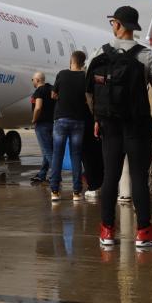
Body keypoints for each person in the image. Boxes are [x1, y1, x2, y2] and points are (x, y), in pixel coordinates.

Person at [87, 6, 152, 247]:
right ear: (133, 28)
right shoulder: (148, 57)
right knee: (138, 176)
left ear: (116, 24)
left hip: (109, 125)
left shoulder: (97, 55)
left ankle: (106, 231)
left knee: (110, 176)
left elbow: (90, 91)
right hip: (137, 125)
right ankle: (144, 231)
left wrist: (96, 118)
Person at [50, 51, 90, 202]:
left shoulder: (62, 74)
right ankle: (76, 192)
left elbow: (53, 95)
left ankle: (55, 191)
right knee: (76, 156)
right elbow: (88, 98)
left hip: (61, 119)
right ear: (83, 63)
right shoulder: (85, 76)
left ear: (71, 61)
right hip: (78, 120)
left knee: (57, 155)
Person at [30, 72, 55, 184]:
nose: (32, 82)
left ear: (37, 80)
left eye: (33, 80)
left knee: (47, 151)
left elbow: (38, 107)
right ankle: (42, 174)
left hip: (42, 125)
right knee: (47, 151)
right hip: (53, 123)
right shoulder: (52, 88)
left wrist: (34, 119)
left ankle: (56, 176)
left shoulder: (39, 91)